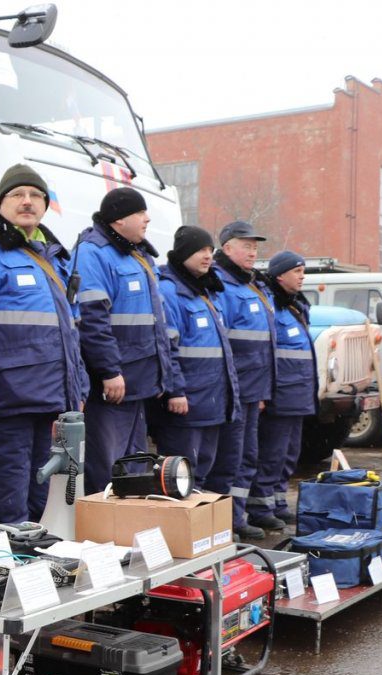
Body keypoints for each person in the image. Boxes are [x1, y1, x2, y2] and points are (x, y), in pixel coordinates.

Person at [0, 164, 88, 526]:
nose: (27, 202)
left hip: (50, 404)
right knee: (1, 497)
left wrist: (78, 388)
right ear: (0, 203)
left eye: (36, 195)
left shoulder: (55, 256)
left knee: (40, 499)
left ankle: (33, 573)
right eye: (17, 195)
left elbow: (71, 331)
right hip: (5, 404)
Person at [75, 187, 175, 493]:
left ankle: (127, 524)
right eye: (140, 213)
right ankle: (103, 530)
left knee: (133, 463)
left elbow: (155, 326)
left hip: (137, 383)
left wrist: (162, 376)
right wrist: (109, 371)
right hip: (114, 385)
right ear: (119, 219)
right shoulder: (93, 253)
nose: (146, 220)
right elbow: (93, 319)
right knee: (108, 464)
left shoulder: (136, 255)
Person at [151, 226, 241, 486]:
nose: (207, 256)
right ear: (183, 253)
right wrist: (176, 391)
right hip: (186, 404)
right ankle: (178, 526)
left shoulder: (206, 292)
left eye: (210, 250)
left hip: (211, 403)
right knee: (179, 475)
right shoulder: (170, 291)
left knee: (202, 469)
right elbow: (168, 347)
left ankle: (198, 525)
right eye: (200, 249)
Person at [206, 220, 276, 540]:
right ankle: (223, 522)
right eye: (246, 245)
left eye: (255, 246)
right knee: (228, 459)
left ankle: (237, 516)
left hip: (253, 390)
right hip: (233, 391)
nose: (253, 251)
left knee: (247, 457)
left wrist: (262, 390)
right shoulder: (221, 285)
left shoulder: (251, 285)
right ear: (227, 247)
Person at [250, 251, 316, 526]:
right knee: (272, 455)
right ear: (279, 275)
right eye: (296, 271)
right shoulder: (271, 306)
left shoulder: (296, 306)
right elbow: (265, 353)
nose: (302, 276)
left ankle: (277, 502)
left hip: (298, 394)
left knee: (289, 455)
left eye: (303, 271)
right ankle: (260, 510)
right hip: (280, 394)